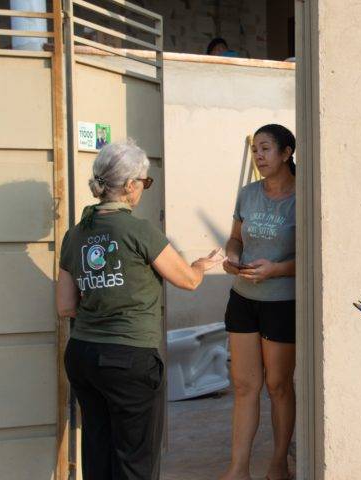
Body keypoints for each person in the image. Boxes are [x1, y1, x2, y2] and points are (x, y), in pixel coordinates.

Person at [56, 141, 224, 480]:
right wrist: (202, 264)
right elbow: (188, 280)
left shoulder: (75, 235)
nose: (143, 190)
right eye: (145, 183)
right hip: (130, 357)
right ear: (131, 185)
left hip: (84, 356)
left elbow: (65, 306)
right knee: (136, 462)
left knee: (98, 453)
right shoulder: (139, 231)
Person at [220, 124, 297, 480]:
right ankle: (238, 468)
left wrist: (277, 269)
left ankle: (279, 462)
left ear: (286, 153)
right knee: (244, 385)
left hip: (282, 302)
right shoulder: (248, 193)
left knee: (278, 386)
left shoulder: (303, 197)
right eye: (255, 150)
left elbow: (314, 256)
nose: (259, 157)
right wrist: (232, 257)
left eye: (266, 149)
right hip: (243, 298)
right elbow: (235, 237)